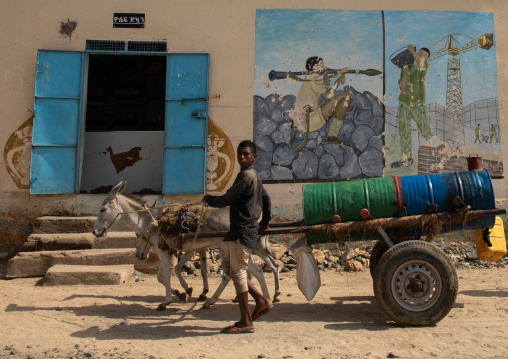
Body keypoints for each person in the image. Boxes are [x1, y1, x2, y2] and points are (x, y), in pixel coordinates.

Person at [202, 140, 273, 334]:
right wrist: (264, 221)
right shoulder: (255, 177)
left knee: (239, 272)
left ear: (254, 157)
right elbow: (266, 200)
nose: (242, 157)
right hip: (240, 230)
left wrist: (209, 200)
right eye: (240, 153)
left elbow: (227, 199)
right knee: (228, 266)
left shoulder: (245, 176)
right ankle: (261, 300)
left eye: (246, 154)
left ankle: (245, 321)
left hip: (242, 230)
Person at [290, 56, 352, 143]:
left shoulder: (312, 78)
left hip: (302, 121)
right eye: (321, 64)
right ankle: (332, 135)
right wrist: (338, 82)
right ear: (315, 67)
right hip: (309, 121)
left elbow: (322, 91)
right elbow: (328, 96)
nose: (324, 66)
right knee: (346, 98)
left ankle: (332, 136)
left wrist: (326, 77)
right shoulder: (314, 78)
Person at [391, 45, 433, 168]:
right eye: (421, 53)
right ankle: (406, 159)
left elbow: (420, 61)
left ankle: (438, 151)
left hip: (417, 103)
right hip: (404, 103)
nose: (422, 55)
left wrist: (411, 51)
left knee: (424, 128)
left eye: (425, 55)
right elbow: (402, 86)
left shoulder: (423, 66)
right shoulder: (408, 67)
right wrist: (404, 70)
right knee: (404, 132)